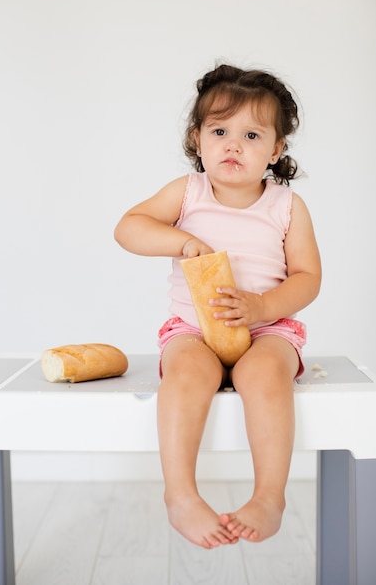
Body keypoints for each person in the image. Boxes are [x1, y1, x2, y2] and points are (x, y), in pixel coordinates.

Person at [114, 64, 321, 549]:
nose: (233, 145)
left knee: (266, 375)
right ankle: (180, 494)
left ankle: (270, 496)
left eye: (251, 134)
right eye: (220, 131)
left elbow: (309, 279)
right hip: (193, 329)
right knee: (186, 374)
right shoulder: (188, 194)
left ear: (275, 150)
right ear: (197, 138)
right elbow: (128, 227)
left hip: (267, 330)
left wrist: (264, 305)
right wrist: (180, 241)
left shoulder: (286, 205)